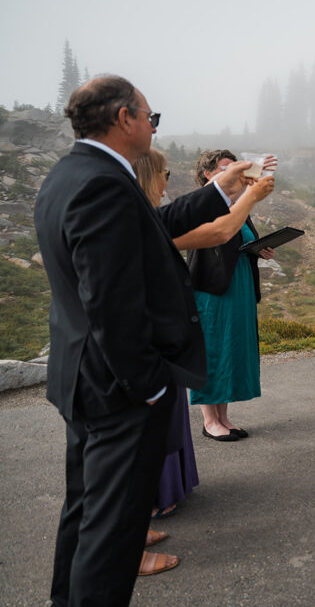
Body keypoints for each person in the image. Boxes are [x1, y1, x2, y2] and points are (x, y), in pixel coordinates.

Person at [34, 76, 251, 604]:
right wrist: (150, 386)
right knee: (112, 539)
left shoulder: (72, 173)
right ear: (124, 119)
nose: (154, 128)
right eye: (151, 118)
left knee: (85, 516)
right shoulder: (102, 183)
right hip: (117, 392)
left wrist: (221, 187)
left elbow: (153, 225)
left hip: (82, 380)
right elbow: (109, 301)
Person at [131, 148, 274, 571]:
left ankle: (142, 519)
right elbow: (216, 233)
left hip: (170, 321)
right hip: (152, 331)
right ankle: (124, 542)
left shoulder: (148, 215)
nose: (166, 185)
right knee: (132, 440)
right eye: (162, 176)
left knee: (159, 425)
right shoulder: (146, 217)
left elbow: (231, 234)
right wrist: (251, 193)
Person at [186, 150, 276, 441]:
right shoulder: (203, 203)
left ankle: (224, 417)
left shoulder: (236, 204)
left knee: (230, 350)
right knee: (212, 350)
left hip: (238, 283)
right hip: (212, 288)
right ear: (208, 175)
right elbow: (214, 238)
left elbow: (238, 240)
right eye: (226, 168)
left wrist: (258, 248)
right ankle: (209, 421)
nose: (233, 173)